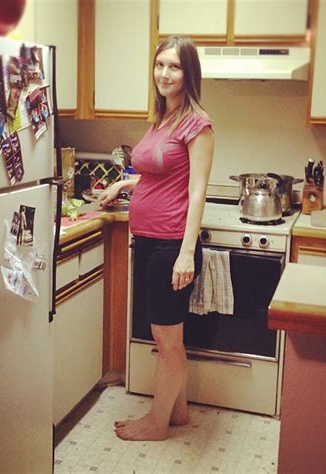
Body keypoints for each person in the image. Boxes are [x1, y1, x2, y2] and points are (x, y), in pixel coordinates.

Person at [98, 36, 214, 441]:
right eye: (160, 64)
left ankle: (157, 423)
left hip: (170, 245)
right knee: (164, 336)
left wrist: (186, 254)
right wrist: (124, 185)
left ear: (188, 74)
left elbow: (197, 190)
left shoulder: (197, 124)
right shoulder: (161, 118)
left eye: (174, 67)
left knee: (168, 341)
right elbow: (157, 172)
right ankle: (177, 413)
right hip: (147, 240)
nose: (164, 73)